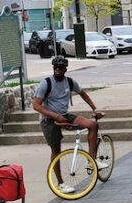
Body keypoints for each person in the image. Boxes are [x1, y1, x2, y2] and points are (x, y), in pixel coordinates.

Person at [33, 55, 105, 194]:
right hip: (49, 119)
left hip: (64, 115)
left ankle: (92, 160)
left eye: (61, 67)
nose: (58, 70)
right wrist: (55, 116)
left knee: (92, 125)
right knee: (56, 150)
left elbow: (83, 94)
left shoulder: (70, 82)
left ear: (66, 68)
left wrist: (94, 109)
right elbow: (36, 105)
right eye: (56, 68)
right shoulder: (46, 83)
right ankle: (61, 184)